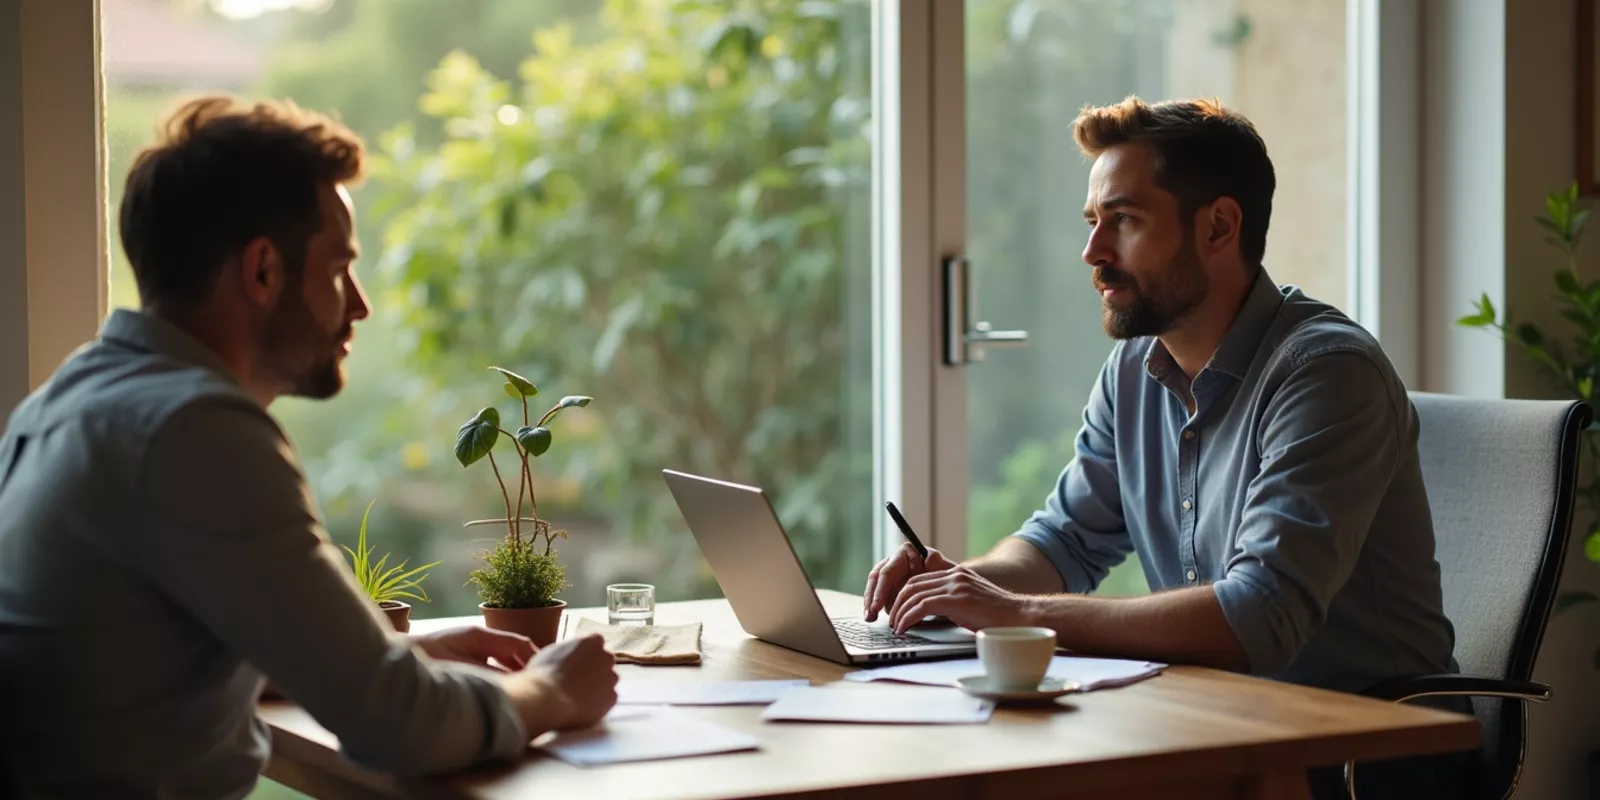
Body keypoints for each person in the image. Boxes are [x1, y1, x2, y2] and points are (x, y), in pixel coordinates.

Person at [0, 96, 618, 799]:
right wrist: (550, 692)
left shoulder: (67, 401)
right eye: (337, 269)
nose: (359, 304)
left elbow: (143, 659)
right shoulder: (193, 432)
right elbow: (400, 728)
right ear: (262, 271)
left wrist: (396, 653)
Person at [863, 97, 1466, 799]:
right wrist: (959, 587)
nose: (1093, 252)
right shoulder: (1135, 369)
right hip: (1217, 726)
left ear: (1218, 226)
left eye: (1124, 221)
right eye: (1093, 223)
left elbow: (1259, 615)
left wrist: (1018, 614)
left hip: (1365, 756)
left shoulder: (1328, 374)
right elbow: (1062, 543)